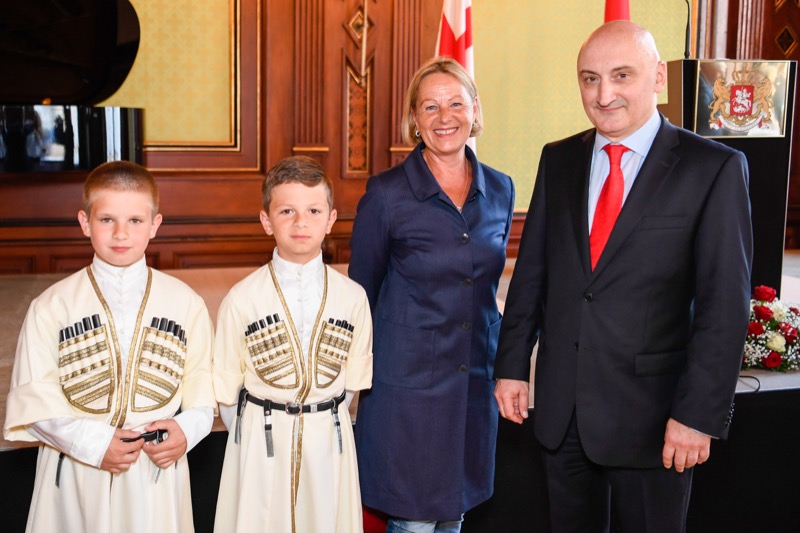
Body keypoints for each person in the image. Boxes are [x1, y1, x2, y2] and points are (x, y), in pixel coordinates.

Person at [493, 21, 753, 532]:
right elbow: (532, 275)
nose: (603, 94)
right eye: (590, 78)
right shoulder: (559, 159)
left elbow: (725, 306)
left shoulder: (712, 168)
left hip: (656, 423)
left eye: (621, 75)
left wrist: (698, 415)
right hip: (562, 414)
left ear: (658, 77)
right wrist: (512, 366)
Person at [4, 160, 216, 533]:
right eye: (107, 220)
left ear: (155, 224)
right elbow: (34, 399)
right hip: (78, 464)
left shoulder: (186, 303)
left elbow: (202, 388)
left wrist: (186, 429)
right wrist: (94, 444)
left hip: (155, 465)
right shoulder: (52, 306)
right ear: (85, 222)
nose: (121, 233)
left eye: (135, 220)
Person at [350, 57, 515, 533]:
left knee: (452, 518)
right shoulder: (386, 195)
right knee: (415, 521)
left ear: (475, 109)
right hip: (407, 395)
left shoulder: (501, 189)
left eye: (456, 104)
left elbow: (487, 289)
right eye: (430, 106)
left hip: (472, 389)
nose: (445, 117)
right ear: (414, 119)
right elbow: (362, 295)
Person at [212, 156, 373, 533]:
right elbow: (227, 395)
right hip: (261, 440)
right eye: (287, 211)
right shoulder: (241, 299)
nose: (301, 222)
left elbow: (351, 388)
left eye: (314, 211)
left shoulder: (353, 297)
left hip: (327, 437)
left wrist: (317, 414)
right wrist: (260, 430)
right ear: (266, 220)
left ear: (331, 219)